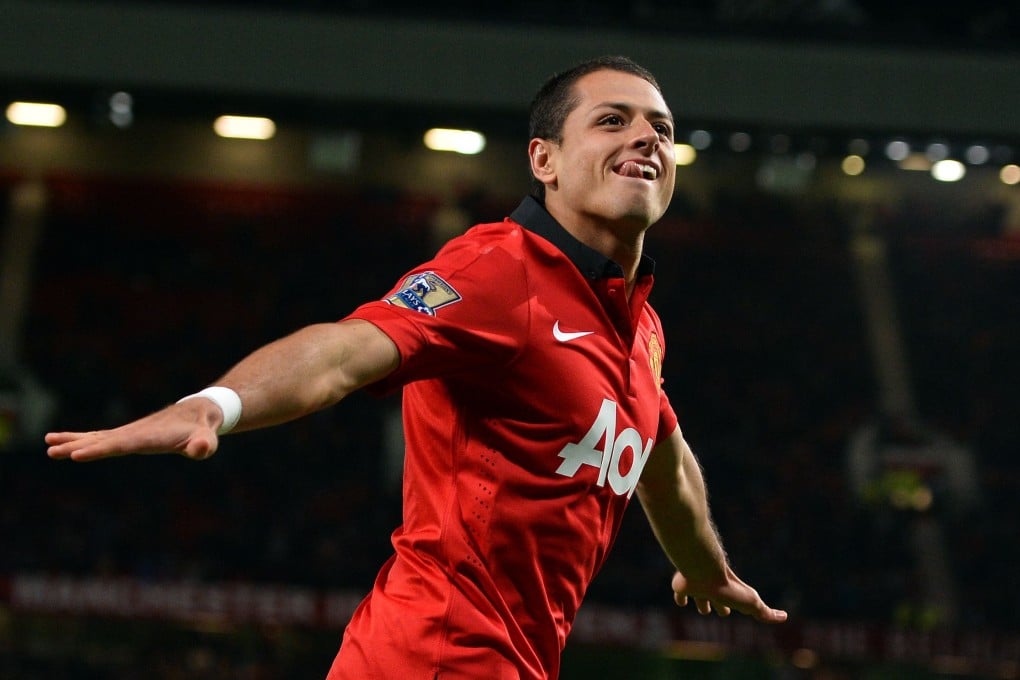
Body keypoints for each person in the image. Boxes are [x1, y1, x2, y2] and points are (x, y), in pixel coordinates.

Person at [46, 55, 787, 679]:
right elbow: (347, 350)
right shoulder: (499, 271)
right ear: (545, 161)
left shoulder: (640, 326)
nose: (647, 137)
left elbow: (662, 459)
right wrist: (216, 403)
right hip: (431, 657)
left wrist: (707, 568)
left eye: (662, 128)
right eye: (613, 121)